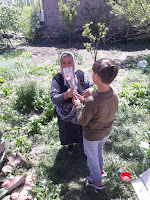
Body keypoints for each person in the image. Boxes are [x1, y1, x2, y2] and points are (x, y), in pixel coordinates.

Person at [73, 58, 119, 189]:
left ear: (97, 77)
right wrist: (86, 99)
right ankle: (101, 169)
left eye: (93, 72)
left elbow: (82, 120)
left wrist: (78, 105)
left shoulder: (93, 101)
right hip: (106, 131)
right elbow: (99, 100)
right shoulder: (114, 90)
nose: (92, 74)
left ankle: (97, 181)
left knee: (91, 157)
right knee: (99, 149)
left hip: (92, 135)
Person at [50, 52, 94, 155]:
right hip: (65, 111)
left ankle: (83, 142)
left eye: (69, 62)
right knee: (68, 129)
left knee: (82, 126)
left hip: (80, 106)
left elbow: (90, 85)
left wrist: (90, 90)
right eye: (64, 63)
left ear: (73, 63)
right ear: (60, 64)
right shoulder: (57, 78)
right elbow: (53, 97)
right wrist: (65, 95)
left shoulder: (79, 74)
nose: (67, 65)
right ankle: (70, 145)